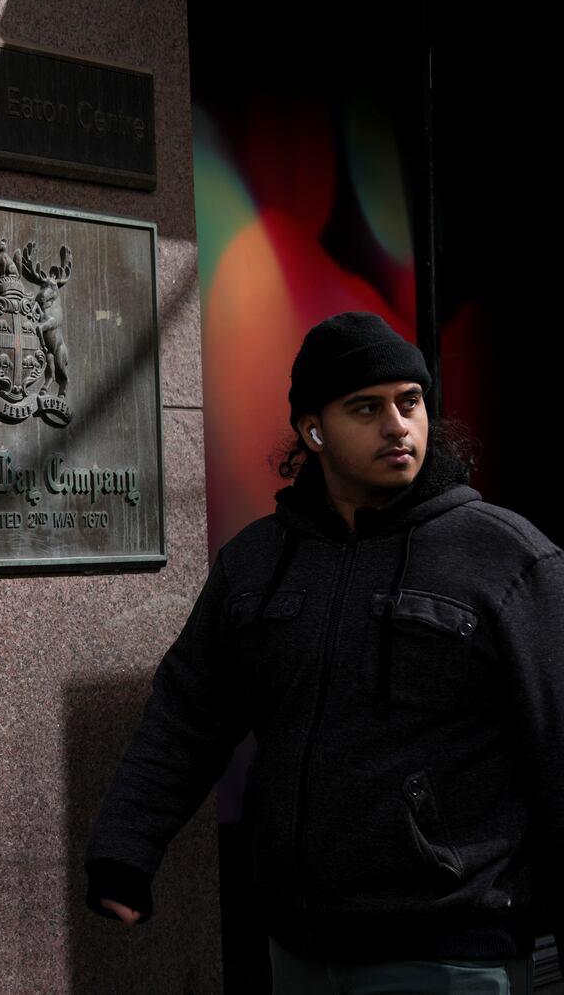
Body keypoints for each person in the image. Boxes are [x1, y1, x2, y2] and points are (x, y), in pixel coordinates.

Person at [84, 311, 562, 992]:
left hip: (452, 947)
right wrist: (123, 848)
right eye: (366, 408)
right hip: (298, 948)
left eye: (411, 402)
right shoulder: (256, 564)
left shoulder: (505, 558)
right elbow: (188, 712)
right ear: (313, 430)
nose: (398, 425)